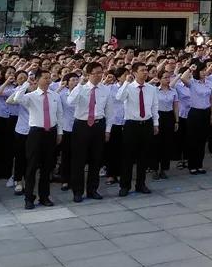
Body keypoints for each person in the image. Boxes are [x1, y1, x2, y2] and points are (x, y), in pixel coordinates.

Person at [7, 69, 62, 209]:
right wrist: (26, 83)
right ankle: (29, 198)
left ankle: (44, 196)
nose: (48, 80)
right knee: (31, 166)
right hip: (36, 133)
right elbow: (17, 98)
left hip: (51, 132)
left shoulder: (55, 95)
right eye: (45, 78)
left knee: (47, 166)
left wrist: (59, 133)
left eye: (49, 78)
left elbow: (59, 115)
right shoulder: (31, 96)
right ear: (37, 80)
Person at [67, 61, 113, 203]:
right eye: (96, 73)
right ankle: (77, 191)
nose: (99, 75)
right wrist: (79, 86)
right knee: (78, 160)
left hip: (98, 125)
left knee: (96, 159)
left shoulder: (106, 89)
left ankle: (93, 189)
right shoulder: (81, 88)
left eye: (101, 72)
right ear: (88, 74)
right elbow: (70, 102)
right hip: (82, 125)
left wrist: (107, 130)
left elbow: (109, 111)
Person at [115, 62, 159, 197]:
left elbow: (154, 106)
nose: (145, 72)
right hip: (131, 124)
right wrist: (126, 83)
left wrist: (156, 123)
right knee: (128, 157)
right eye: (142, 70)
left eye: (146, 70)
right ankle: (125, 185)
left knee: (143, 156)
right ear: (134, 73)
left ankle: (141, 184)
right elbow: (119, 98)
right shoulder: (128, 87)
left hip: (147, 123)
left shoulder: (151, 88)